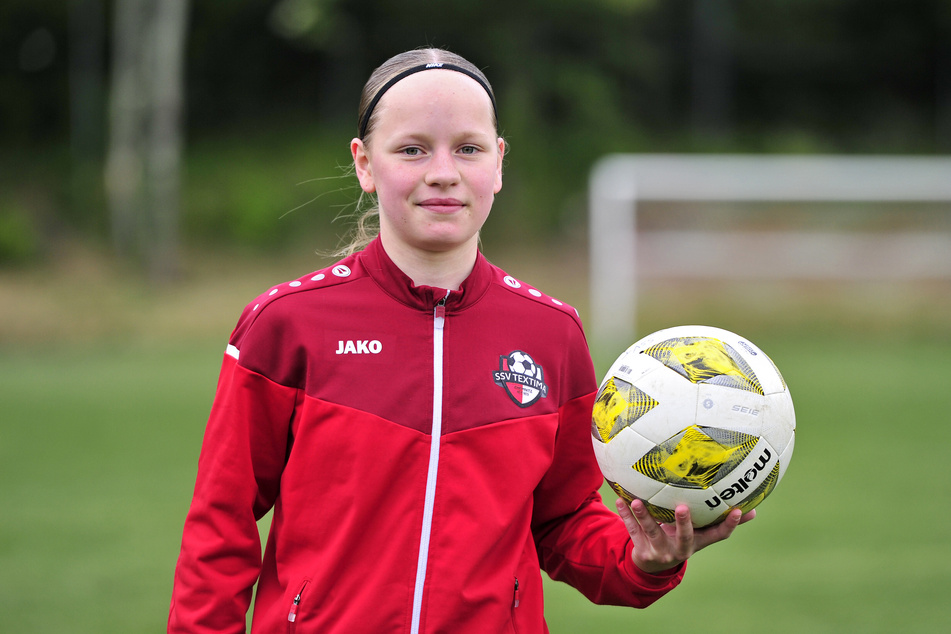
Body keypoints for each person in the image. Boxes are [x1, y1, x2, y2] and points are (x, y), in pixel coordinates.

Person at [168, 47, 754, 634]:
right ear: (365, 165)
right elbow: (221, 527)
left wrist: (642, 561)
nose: (442, 171)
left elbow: (566, 520)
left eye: (468, 149)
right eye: (412, 149)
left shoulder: (552, 335)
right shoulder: (285, 324)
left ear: (498, 163)